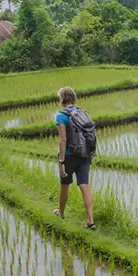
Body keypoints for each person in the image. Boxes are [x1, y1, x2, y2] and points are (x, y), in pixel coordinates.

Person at [54, 87, 96, 229]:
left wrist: (61, 161)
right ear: (73, 98)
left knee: (65, 184)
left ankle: (61, 213)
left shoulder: (61, 116)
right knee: (84, 185)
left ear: (62, 99)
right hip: (84, 154)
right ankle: (90, 221)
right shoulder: (83, 113)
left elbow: (62, 139)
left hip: (69, 155)